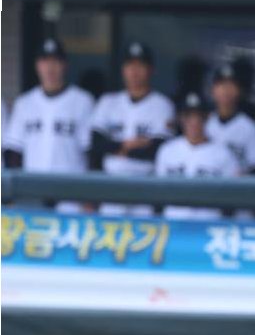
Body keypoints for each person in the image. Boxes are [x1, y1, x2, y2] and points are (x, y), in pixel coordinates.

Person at [4, 38, 95, 213]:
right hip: (32, 192)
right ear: (37, 65)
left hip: (71, 194)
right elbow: (14, 151)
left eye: (55, 61)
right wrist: (15, 194)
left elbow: (91, 153)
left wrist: (90, 197)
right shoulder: (24, 103)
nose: (50, 67)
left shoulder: (83, 101)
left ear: (65, 65)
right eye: (45, 61)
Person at [88, 42, 175, 216]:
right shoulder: (108, 102)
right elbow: (96, 144)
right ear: (123, 69)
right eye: (130, 65)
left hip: (146, 187)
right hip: (111, 186)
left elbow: (157, 150)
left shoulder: (162, 105)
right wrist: (129, 145)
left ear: (151, 70)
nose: (134, 71)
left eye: (140, 65)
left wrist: (116, 147)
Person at [154, 92, 241, 220]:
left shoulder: (224, 154)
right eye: (188, 116)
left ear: (207, 117)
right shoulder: (167, 151)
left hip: (208, 224)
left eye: (199, 116)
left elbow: (232, 199)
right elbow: (158, 195)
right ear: (180, 118)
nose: (194, 121)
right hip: (174, 222)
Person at [205, 63, 255, 176]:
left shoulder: (250, 127)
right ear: (213, 90)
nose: (226, 90)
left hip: (237, 185)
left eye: (231, 85)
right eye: (221, 85)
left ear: (239, 91)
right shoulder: (203, 124)